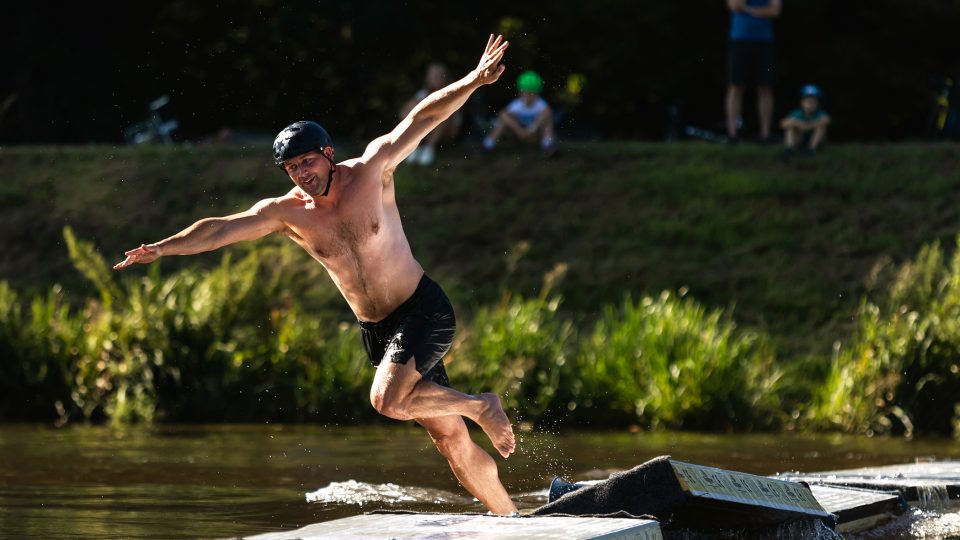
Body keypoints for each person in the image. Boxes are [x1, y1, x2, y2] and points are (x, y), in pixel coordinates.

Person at [113, 35, 518, 515]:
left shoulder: (371, 170)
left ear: (327, 153)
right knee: (448, 438)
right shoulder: (287, 213)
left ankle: (481, 405)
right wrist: (162, 248)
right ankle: (511, 518)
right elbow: (222, 228)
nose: (302, 175)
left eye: (307, 162)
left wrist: (472, 81)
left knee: (387, 401)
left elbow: (423, 118)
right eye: (291, 169)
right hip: (379, 331)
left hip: (422, 310)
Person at [725, 0, 782, 143]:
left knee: (765, 87)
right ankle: (732, 134)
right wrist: (761, 10)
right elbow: (734, 5)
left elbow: (775, 11)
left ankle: (765, 134)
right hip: (740, 39)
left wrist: (748, 10)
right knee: (736, 86)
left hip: (764, 41)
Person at [400, 62, 463, 166]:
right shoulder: (423, 93)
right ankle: (414, 146)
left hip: (448, 130)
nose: (434, 78)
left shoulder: (452, 93)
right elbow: (403, 113)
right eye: (431, 75)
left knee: (442, 113)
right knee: (414, 108)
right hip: (426, 129)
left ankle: (429, 149)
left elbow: (455, 123)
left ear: (444, 77)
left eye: (437, 75)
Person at [482, 70, 556, 156]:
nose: (528, 96)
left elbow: (547, 113)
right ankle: (487, 146)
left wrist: (531, 129)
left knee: (547, 121)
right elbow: (503, 115)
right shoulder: (517, 104)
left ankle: (548, 146)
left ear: (537, 93)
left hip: (535, 134)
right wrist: (519, 130)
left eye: (531, 93)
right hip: (518, 133)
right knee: (501, 122)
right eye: (526, 92)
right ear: (520, 92)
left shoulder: (541, 105)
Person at [780, 84, 830, 161]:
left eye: (813, 101)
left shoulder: (820, 113)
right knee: (790, 128)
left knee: (821, 127)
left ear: (818, 103)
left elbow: (826, 120)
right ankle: (789, 149)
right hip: (800, 139)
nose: (810, 104)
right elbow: (783, 124)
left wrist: (807, 126)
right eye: (807, 101)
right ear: (801, 102)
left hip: (816, 141)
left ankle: (810, 150)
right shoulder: (797, 113)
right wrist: (796, 123)